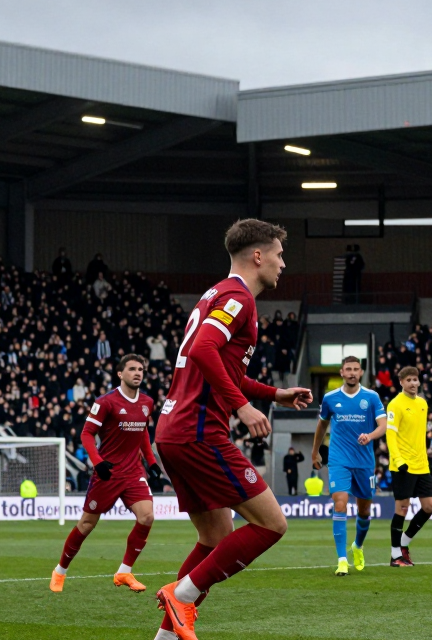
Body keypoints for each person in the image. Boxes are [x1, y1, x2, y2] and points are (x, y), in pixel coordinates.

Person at [152, 219, 313, 640]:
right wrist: (242, 407)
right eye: (278, 254)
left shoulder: (215, 296)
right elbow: (205, 348)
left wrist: (272, 394)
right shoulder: (238, 297)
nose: (282, 263)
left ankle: (166, 636)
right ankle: (182, 594)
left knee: (216, 535)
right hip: (199, 431)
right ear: (257, 256)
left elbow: (217, 363)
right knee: (272, 524)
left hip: (173, 430)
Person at [50, 354, 160, 594]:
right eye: (132, 369)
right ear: (120, 374)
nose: (138, 373)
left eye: (140, 369)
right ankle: (60, 571)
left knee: (147, 517)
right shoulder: (106, 402)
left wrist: (151, 462)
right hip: (107, 472)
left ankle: (124, 571)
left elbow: (142, 432)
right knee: (87, 524)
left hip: (133, 472)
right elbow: (87, 434)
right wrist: (97, 462)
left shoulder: (147, 402)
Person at [311, 356, 387, 576]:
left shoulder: (371, 397)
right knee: (340, 503)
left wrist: (370, 435)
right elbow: (321, 426)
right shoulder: (330, 398)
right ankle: (342, 559)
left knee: (364, 511)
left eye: (356, 369)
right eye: (348, 369)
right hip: (339, 459)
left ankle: (357, 546)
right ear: (341, 373)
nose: (352, 372)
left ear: (361, 372)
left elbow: (383, 425)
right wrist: (315, 451)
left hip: (364, 461)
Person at [386, 366, 432, 567]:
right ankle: (395, 555)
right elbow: (391, 435)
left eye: (416, 380)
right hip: (403, 466)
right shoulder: (395, 405)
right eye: (409, 380)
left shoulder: (423, 404)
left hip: (422, 465)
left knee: (429, 506)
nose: (413, 383)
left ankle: (404, 542)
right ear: (402, 382)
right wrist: (398, 461)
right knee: (402, 509)